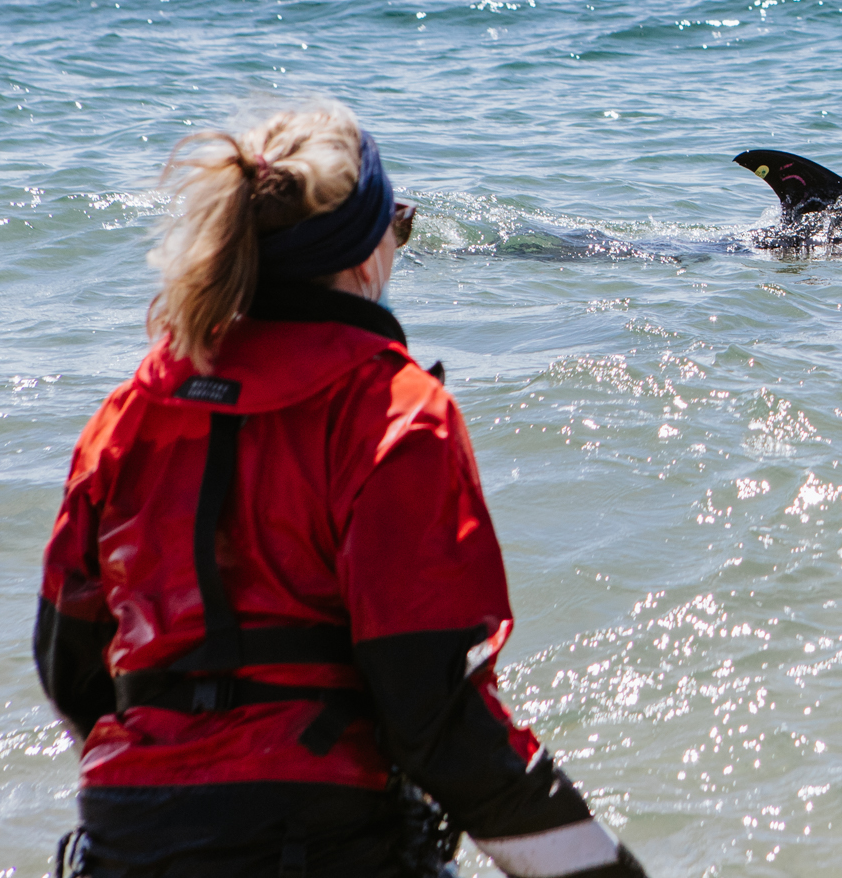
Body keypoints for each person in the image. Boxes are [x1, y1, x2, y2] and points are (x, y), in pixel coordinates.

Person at [35, 104, 646, 877]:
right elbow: (430, 711)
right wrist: (593, 866)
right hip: (320, 835)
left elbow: (71, 667)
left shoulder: (125, 415)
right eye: (400, 223)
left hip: (125, 835)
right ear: (364, 255)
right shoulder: (394, 414)